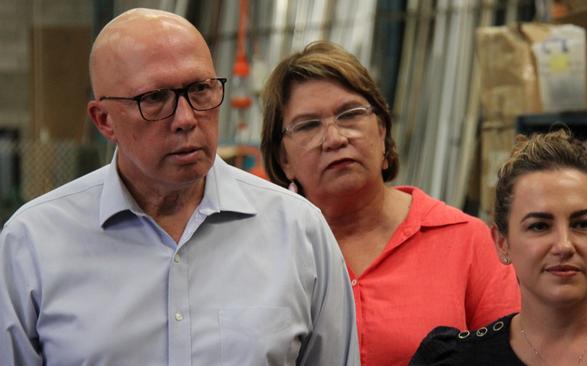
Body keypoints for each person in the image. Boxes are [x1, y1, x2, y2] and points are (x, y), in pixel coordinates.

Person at [0, 9, 359, 366]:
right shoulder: (32, 244)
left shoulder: (298, 232)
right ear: (104, 120)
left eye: (200, 89)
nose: (186, 119)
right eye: (154, 98)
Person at [260, 40, 520, 366]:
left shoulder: (466, 241)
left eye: (350, 114)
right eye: (309, 125)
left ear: (382, 130)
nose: (336, 138)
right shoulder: (265, 254)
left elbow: (512, 356)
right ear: (283, 159)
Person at [410, 129, 587, 365]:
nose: (564, 245)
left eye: (582, 224)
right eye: (539, 226)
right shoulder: (458, 359)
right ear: (502, 243)